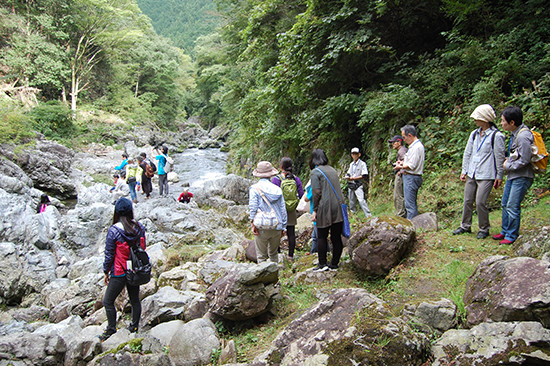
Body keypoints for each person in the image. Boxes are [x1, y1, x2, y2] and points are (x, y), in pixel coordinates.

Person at [453, 104, 505, 239]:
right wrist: (464, 170)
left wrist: (499, 175)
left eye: (477, 118)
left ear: (485, 119)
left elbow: (499, 157)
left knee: (480, 201)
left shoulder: (496, 136)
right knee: (468, 200)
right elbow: (468, 152)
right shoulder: (474, 134)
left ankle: (484, 228)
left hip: (487, 173)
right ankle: (465, 225)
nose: (475, 121)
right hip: (472, 172)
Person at [100, 197, 146, 341]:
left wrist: (105, 271)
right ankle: (134, 326)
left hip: (119, 271)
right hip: (134, 270)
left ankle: (111, 329)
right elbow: (142, 248)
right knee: (134, 300)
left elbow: (109, 254)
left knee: (108, 301)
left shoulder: (114, 230)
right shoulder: (139, 227)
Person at [493, 106, 534, 245]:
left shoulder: (523, 136)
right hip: (513, 175)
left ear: (512, 122)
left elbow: (525, 159)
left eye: (503, 121)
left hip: (522, 176)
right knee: (505, 203)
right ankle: (505, 231)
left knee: (512, 205)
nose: (501, 123)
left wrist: (507, 166)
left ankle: (511, 235)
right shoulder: (515, 134)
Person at [309, 149, 344, 272]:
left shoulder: (315, 172)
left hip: (325, 207)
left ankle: (322, 264)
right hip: (339, 206)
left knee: (322, 236)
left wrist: (315, 210)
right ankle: (334, 264)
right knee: (336, 236)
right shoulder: (332, 170)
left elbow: (316, 193)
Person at [249, 161, 287, 263]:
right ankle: (275, 276)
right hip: (276, 225)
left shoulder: (254, 189)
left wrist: (252, 223)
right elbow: (283, 209)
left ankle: (264, 277)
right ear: (270, 174)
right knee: (274, 254)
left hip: (261, 225)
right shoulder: (277, 189)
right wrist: (284, 226)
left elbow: (253, 207)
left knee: (261, 256)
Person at [271, 157, 304, 259]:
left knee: (277, 233)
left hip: (279, 210)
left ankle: (278, 254)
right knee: (291, 233)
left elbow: (273, 195)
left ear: (281, 167)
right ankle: (290, 255)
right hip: (291, 209)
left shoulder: (276, 179)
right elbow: (301, 194)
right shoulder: (296, 179)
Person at [395, 125, 425, 219]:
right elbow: (411, 162)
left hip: (412, 177)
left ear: (410, 135)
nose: (404, 140)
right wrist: (403, 162)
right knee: (409, 203)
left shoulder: (416, 147)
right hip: (410, 176)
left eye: (404, 137)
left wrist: (400, 166)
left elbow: (412, 165)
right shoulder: (413, 147)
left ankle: (411, 225)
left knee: (410, 205)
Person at [344, 147, 371, 218]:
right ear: (351, 155)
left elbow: (364, 175)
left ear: (359, 154)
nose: (354, 155)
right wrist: (347, 177)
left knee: (361, 200)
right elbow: (348, 173)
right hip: (351, 184)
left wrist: (354, 178)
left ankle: (368, 215)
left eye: (356, 154)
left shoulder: (362, 164)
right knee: (351, 202)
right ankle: (354, 216)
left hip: (358, 184)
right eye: (353, 154)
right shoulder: (351, 164)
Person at [389, 136, 407, 218]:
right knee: (398, 195)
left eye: (394, 142)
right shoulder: (401, 150)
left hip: (400, 175)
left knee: (398, 195)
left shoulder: (402, 151)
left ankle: (400, 214)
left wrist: (401, 171)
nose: (392, 144)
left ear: (399, 142)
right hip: (401, 174)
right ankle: (400, 212)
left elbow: (406, 161)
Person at [304, 180, 318, 254]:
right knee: (316, 235)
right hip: (323, 213)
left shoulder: (314, 188)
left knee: (316, 236)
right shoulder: (323, 186)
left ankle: (313, 253)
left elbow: (306, 199)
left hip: (316, 214)